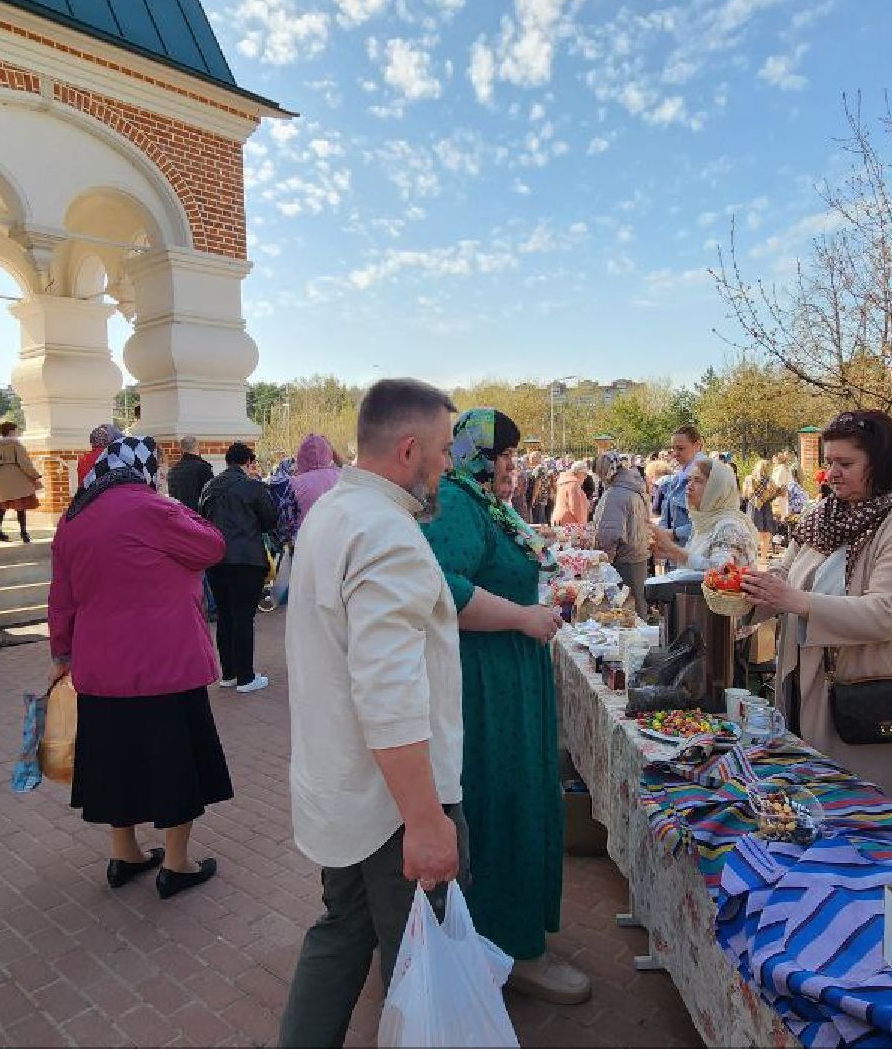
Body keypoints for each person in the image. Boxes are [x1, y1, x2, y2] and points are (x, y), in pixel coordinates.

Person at [278, 379, 471, 1047]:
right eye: (444, 451)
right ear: (410, 448)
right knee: (420, 969)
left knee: (340, 933)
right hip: (392, 805)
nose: (448, 465)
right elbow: (386, 695)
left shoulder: (335, 511)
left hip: (346, 791)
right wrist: (425, 820)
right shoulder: (382, 531)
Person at [419, 409, 584, 1003]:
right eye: (506, 455)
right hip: (488, 680)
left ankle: (515, 937)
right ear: (478, 455)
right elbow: (444, 587)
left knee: (521, 793)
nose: (514, 466)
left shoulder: (482, 499)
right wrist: (522, 617)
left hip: (513, 671)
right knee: (504, 798)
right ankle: (503, 945)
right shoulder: (460, 501)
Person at [740, 410, 892, 821]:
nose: (832, 474)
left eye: (845, 464)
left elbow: (887, 614)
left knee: (881, 821)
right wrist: (747, 592)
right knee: (826, 809)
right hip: (821, 688)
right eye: (828, 462)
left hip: (883, 695)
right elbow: (789, 573)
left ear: (880, 464)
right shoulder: (826, 515)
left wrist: (796, 601)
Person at [50, 436, 230, 898]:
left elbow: (62, 600)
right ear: (146, 471)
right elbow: (212, 545)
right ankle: (176, 863)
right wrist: (171, 503)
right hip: (165, 664)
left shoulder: (74, 519)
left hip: (100, 668)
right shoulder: (153, 509)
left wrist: (61, 657)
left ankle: (124, 853)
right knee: (176, 764)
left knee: (115, 763)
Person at [199, 442, 279, 694]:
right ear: (247, 462)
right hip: (247, 559)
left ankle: (229, 673)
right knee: (244, 616)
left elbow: (202, 517)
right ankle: (246, 677)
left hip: (216, 559)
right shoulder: (253, 487)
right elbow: (270, 519)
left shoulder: (210, 486)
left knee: (225, 615)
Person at [652, 455, 761, 571]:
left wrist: (674, 550)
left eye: (698, 481)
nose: (689, 486)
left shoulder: (729, 527)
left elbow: (722, 572)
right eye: (689, 480)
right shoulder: (704, 522)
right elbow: (695, 565)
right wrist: (667, 551)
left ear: (716, 489)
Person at [593, 451, 652, 615]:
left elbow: (609, 534)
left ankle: (637, 639)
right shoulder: (632, 486)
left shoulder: (615, 494)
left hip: (624, 558)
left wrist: (604, 559)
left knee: (627, 606)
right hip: (638, 552)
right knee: (639, 600)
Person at [0, 421, 43, 543]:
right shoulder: (16, 446)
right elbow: (24, 463)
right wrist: (35, 475)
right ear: (11, 432)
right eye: (15, 431)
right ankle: (23, 533)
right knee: (20, 506)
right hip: (16, 477)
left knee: (1, 506)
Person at [658, 425, 704, 562]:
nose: (675, 453)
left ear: (697, 445)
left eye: (680, 448)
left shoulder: (708, 478)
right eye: (673, 448)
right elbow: (668, 515)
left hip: (694, 556)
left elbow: (709, 523)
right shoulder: (678, 477)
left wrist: (674, 534)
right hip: (676, 556)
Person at [289, 433, 341, 526]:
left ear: (301, 456)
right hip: (340, 535)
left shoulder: (295, 484)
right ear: (328, 453)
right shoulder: (341, 477)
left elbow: (288, 520)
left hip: (307, 536)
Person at [165, 435, 214, 513]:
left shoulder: (173, 470)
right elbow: (211, 497)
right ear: (197, 447)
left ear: (182, 449)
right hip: (198, 517)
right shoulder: (203, 468)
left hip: (180, 516)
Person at [76, 423, 123, 487]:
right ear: (108, 440)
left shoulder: (83, 459)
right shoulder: (114, 456)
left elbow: (82, 483)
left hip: (89, 494)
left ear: (91, 441)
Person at [550, 459, 592, 526]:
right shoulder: (574, 485)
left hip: (558, 518)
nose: (586, 477)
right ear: (578, 473)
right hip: (569, 522)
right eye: (585, 474)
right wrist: (583, 525)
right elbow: (576, 508)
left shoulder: (564, 482)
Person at [744, 457, 776, 535]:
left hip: (753, 506)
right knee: (766, 531)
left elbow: (745, 494)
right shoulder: (770, 481)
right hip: (766, 507)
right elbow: (773, 495)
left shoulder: (750, 479)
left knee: (752, 530)